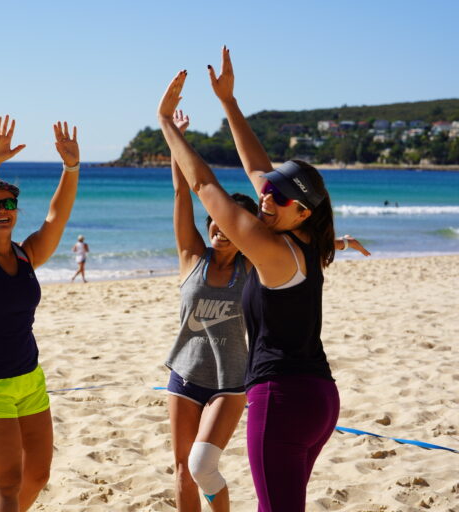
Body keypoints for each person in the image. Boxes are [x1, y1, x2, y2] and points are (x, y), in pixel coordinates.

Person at [157, 46, 367, 511]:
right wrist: (229, 102)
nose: (266, 198)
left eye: (279, 197)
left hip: (283, 398)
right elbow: (256, 169)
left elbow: (205, 188)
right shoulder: (305, 235)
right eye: (268, 192)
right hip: (319, 399)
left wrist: (167, 124)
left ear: (303, 211)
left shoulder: (271, 250)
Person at [0, 116, 80, 512]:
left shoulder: (26, 254)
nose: (2, 210)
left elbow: (57, 218)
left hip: (30, 378)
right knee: (6, 483)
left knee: (37, 476)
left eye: (8, 204)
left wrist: (71, 167)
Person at [165, 109, 258, 512]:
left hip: (230, 380)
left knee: (204, 466)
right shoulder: (192, 257)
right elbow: (183, 193)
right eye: (215, 222)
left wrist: (336, 243)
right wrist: (176, 143)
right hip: (184, 375)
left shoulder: (252, 266)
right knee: (182, 469)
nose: (220, 228)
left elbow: (289, 241)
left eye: (228, 223)